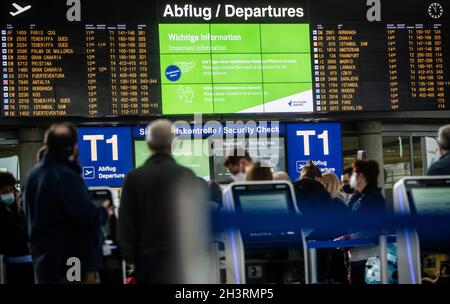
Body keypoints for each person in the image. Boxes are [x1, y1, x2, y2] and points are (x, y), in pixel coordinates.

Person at [118, 119, 205, 284]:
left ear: (149, 144)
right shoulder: (186, 175)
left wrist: (130, 259)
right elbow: (197, 222)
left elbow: (125, 223)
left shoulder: (135, 178)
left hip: (146, 262)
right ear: (173, 143)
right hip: (180, 260)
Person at [24, 123, 110, 284]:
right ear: (73, 147)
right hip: (72, 262)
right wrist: (104, 211)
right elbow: (87, 216)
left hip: (45, 264)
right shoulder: (64, 175)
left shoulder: (33, 175)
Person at [0, 172, 34, 284]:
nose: (9, 193)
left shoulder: (18, 210)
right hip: (9, 266)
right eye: (4, 191)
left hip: (27, 262)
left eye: (11, 190)